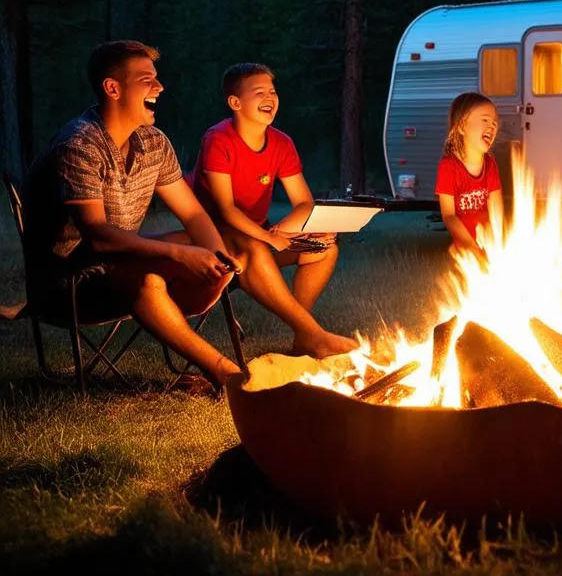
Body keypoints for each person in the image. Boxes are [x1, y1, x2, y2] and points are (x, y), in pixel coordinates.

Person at [22, 41, 243, 387]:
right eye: (146, 80)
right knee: (148, 279)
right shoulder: (78, 145)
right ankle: (227, 374)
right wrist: (180, 254)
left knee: (221, 244)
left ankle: (177, 319)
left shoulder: (152, 143)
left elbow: (194, 215)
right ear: (112, 88)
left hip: (118, 264)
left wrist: (218, 259)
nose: (160, 87)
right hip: (67, 283)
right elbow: (97, 236)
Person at [189, 63, 357, 357]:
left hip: (256, 233)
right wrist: (269, 239)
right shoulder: (218, 139)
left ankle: (303, 333)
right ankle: (314, 334)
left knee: (324, 246)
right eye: (259, 92)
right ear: (235, 103)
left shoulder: (281, 143)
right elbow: (226, 210)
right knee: (254, 245)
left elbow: (304, 203)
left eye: (273, 91)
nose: (270, 97)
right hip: (215, 237)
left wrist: (281, 231)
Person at [435, 92, 504, 258]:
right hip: (465, 249)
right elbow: (449, 216)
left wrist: (498, 240)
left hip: (489, 245)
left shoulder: (490, 164)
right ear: (461, 127)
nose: (492, 126)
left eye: (494, 122)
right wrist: (471, 247)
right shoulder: (449, 167)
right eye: (485, 120)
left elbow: (497, 208)